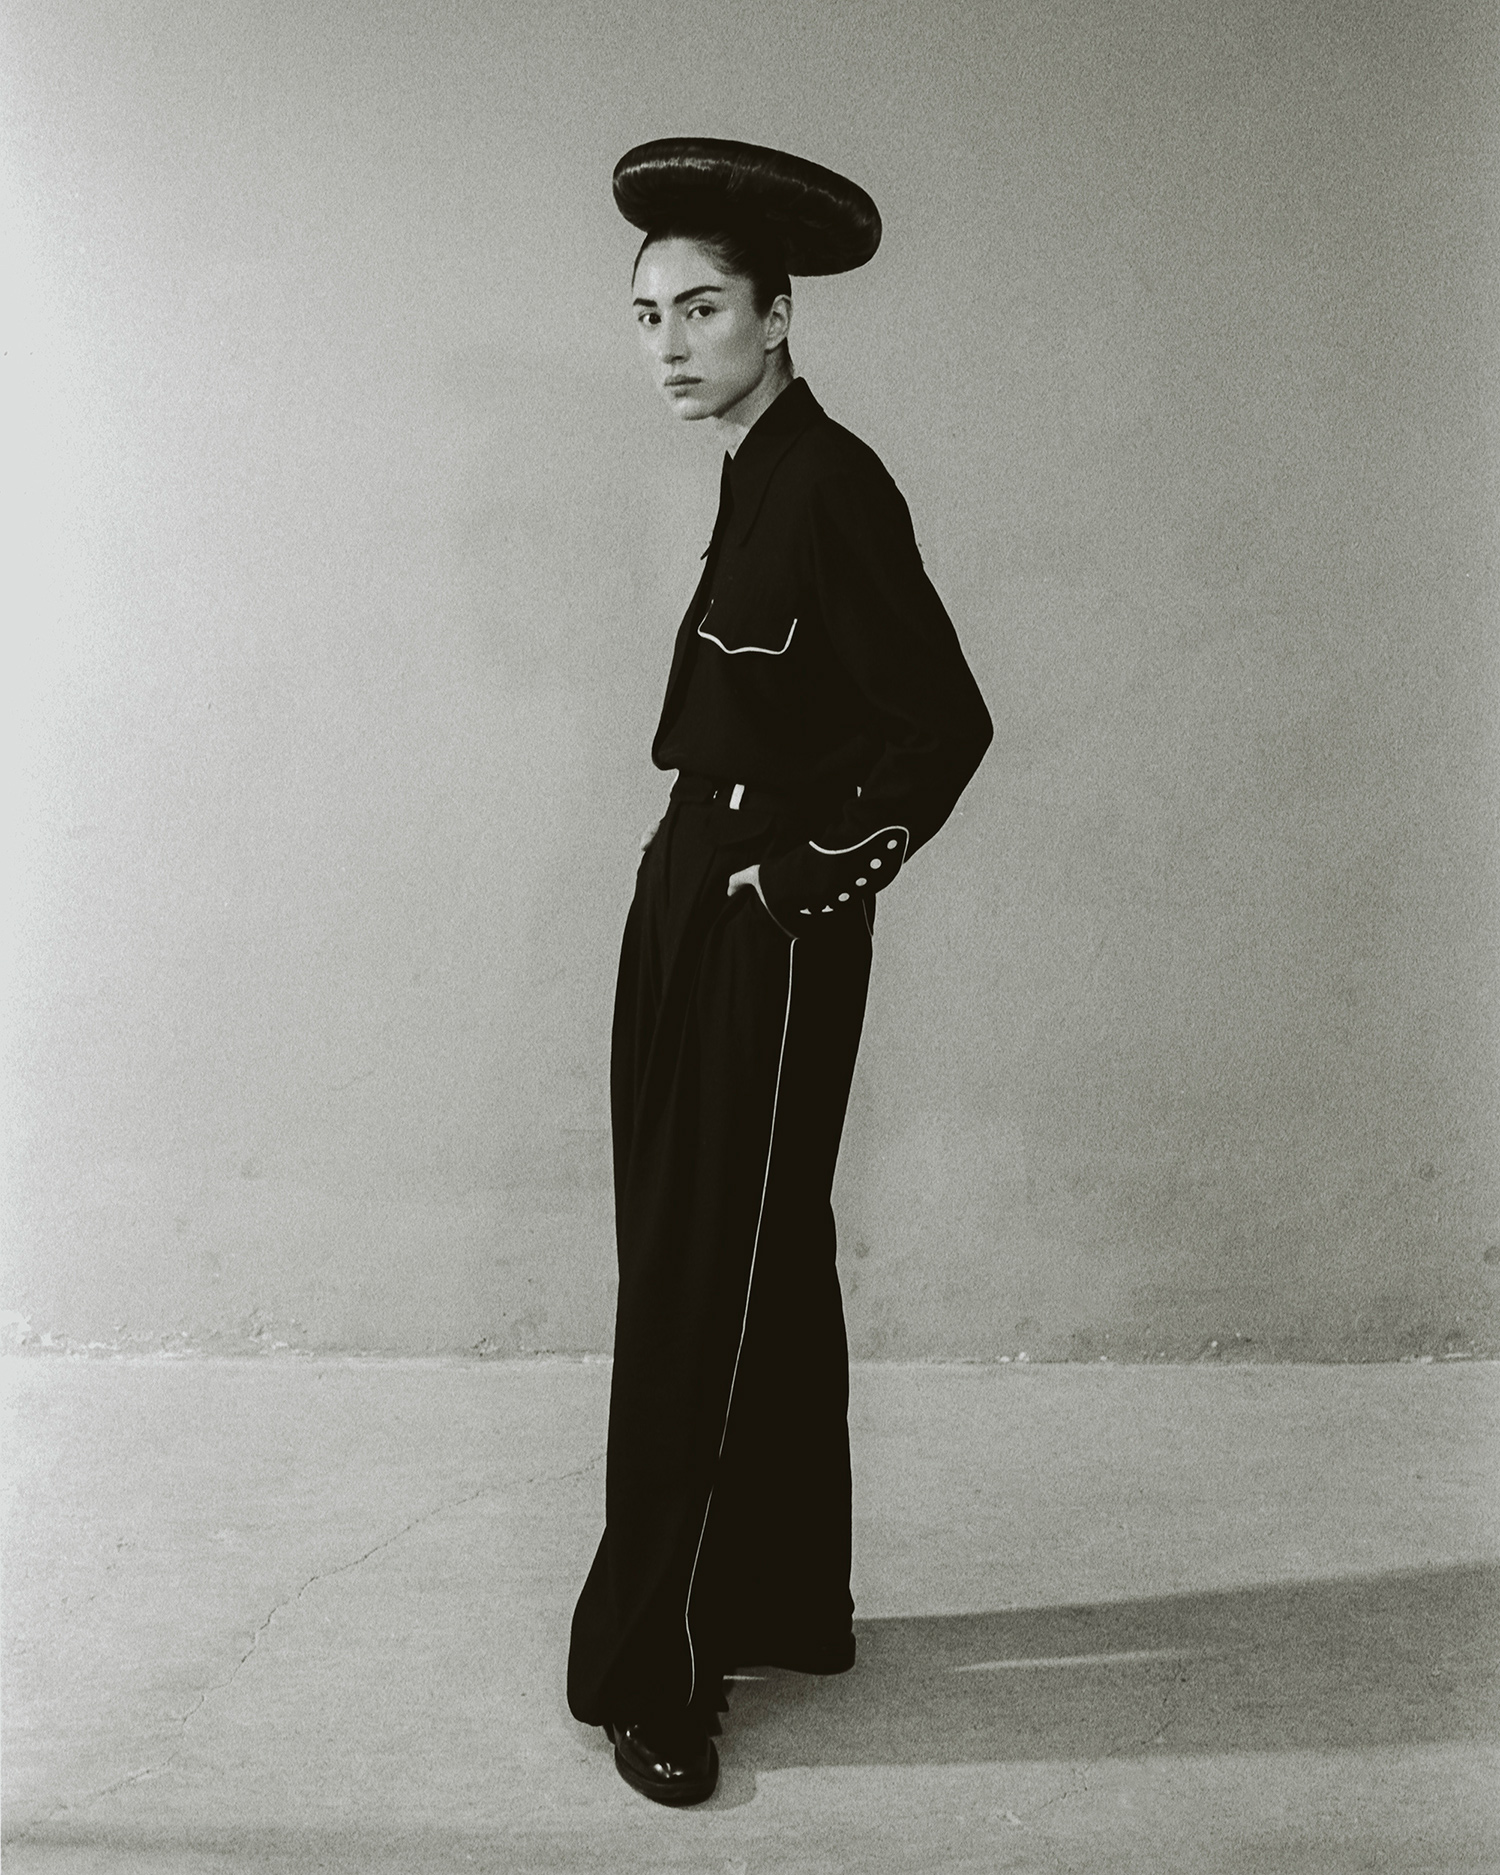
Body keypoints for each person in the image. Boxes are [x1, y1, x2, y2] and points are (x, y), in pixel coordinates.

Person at [567, 138, 993, 1805]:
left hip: (765, 920)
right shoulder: (754, 467)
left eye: (702, 309)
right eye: (648, 315)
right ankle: (780, 1601)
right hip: (692, 885)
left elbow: (940, 726)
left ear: (778, 314)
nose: (671, 344)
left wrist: (807, 879)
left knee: (710, 1277)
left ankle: (657, 1670)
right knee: (740, 1255)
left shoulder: (831, 481)